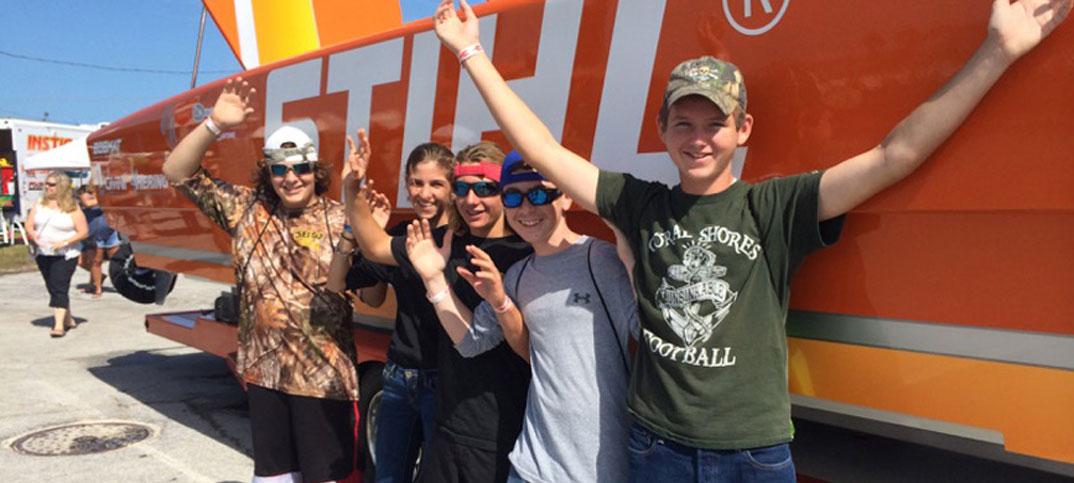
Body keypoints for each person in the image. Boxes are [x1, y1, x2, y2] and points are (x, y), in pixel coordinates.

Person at [431, 0, 1072, 480]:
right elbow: (542, 150)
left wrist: (997, 51)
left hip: (753, 454)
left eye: (716, 122)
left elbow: (894, 155)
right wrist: (471, 53)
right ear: (662, 129)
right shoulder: (640, 204)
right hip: (655, 448)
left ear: (743, 130)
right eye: (684, 122)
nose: (699, 138)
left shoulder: (774, 207)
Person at [162, 77, 359, 483]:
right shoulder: (246, 209)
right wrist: (214, 124)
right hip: (264, 375)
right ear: (268, 173)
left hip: (322, 381)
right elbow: (176, 171)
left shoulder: (340, 218)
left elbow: (372, 288)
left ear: (315, 169)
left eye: (300, 168)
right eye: (279, 169)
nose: (291, 178)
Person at [405, 152, 638, 483]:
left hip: (597, 470)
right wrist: (433, 279)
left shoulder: (601, 260)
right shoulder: (518, 275)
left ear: (567, 197)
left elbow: (654, 336)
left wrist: (631, 257)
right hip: (530, 466)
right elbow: (471, 341)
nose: (526, 208)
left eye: (539, 194)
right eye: (513, 197)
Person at [344, 134, 532, 483]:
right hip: (448, 423)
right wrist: (351, 189)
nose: (471, 200)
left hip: (498, 430)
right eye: (462, 189)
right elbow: (375, 246)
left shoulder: (525, 255)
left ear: (504, 191)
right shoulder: (445, 243)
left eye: (485, 188)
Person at [342, 142, 455, 483]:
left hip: (446, 381)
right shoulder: (401, 236)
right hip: (398, 377)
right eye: (416, 183)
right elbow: (365, 293)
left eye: (436, 184)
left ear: (452, 188)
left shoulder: (462, 239)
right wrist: (368, 235)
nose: (425, 193)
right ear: (406, 184)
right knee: (389, 477)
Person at [26, 171, 88, 338]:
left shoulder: (73, 207)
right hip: (43, 252)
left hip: (65, 254)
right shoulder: (39, 204)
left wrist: (65, 242)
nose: (47, 187)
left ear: (62, 186)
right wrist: (34, 237)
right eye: (46, 184)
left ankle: (59, 325)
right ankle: (68, 319)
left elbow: (83, 231)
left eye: (52, 184)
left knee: (59, 286)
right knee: (52, 286)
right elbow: (29, 225)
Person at [76, 184, 121, 298]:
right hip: (93, 236)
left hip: (110, 233)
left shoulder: (103, 200)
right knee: (90, 262)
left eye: (91, 193)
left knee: (116, 260)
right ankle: (98, 286)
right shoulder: (82, 205)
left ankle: (117, 285)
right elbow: (87, 204)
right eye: (86, 194)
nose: (89, 196)